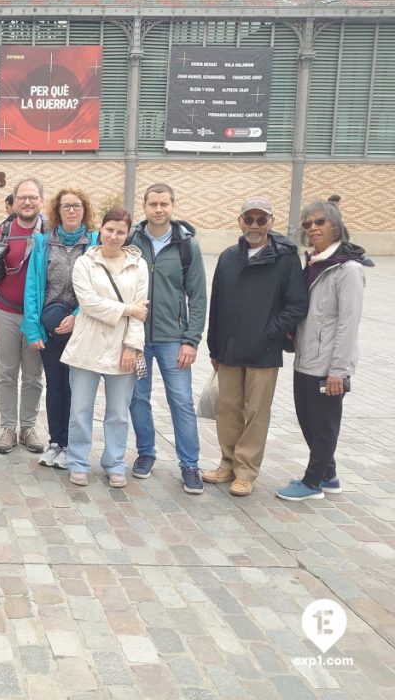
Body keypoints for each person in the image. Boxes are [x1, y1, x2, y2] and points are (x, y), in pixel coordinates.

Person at [205, 197, 309, 496]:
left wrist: (271, 332)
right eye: (248, 219)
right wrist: (214, 347)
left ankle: (246, 471)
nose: (254, 225)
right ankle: (227, 463)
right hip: (229, 349)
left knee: (257, 412)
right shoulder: (228, 257)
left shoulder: (286, 258)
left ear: (271, 222)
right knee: (227, 409)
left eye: (260, 220)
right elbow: (218, 304)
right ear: (240, 221)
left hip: (264, 350)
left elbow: (297, 304)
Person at [276, 200, 368, 501]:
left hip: (328, 365)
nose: (313, 228)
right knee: (307, 420)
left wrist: (338, 371)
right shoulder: (315, 262)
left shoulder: (347, 269)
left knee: (324, 425)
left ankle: (313, 481)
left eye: (320, 222)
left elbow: (348, 324)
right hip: (306, 358)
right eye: (307, 224)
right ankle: (328, 475)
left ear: (335, 225)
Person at [126, 184, 208, 495]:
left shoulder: (187, 245)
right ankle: (146, 452)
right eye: (153, 204)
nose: (158, 209)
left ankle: (189, 464)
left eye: (164, 204)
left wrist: (192, 340)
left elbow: (197, 296)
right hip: (138, 340)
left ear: (173, 206)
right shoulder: (132, 241)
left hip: (173, 339)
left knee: (181, 401)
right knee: (138, 397)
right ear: (144, 206)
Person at [61, 208, 148, 488]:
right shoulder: (85, 263)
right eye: (109, 229)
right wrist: (127, 308)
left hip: (122, 348)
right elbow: (88, 303)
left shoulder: (139, 265)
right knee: (80, 409)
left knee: (119, 413)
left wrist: (132, 347)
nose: (114, 236)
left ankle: (114, 462)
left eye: (120, 231)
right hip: (87, 346)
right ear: (101, 229)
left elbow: (141, 312)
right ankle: (77, 461)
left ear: (128, 234)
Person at [21, 188, 99, 469]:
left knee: (76, 386)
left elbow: (99, 287)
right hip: (51, 324)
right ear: (57, 211)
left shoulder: (95, 243)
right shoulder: (43, 243)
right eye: (65, 206)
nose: (71, 211)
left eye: (76, 206)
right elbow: (32, 287)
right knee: (55, 385)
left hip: (83, 326)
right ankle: (56, 442)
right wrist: (33, 328)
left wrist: (78, 315)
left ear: (84, 209)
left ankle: (73, 445)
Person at [0, 178, 46, 455]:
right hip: (5, 312)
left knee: (33, 376)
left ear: (41, 200)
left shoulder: (49, 233)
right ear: (14, 201)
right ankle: (8, 427)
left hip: (38, 318)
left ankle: (28, 427)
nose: (27, 202)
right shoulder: (1, 232)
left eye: (32, 197)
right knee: (7, 373)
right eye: (22, 197)